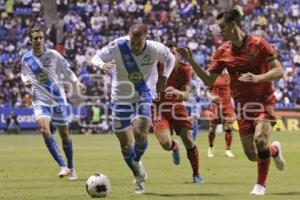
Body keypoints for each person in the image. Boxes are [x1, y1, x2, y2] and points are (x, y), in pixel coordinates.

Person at [178, 9, 286, 195]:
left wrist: (258, 78)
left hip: (263, 101)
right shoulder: (222, 52)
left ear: (233, 24)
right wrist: (191, 60)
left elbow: (279, 71)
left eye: (222, 26)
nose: (220, 30)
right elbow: (209, 81)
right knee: (252, 154)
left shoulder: (259, 44)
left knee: (260, 140)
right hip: (243, 107)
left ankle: (260, 185)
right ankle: (274, 150)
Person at [91, 23, 176, 194]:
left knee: (141, 133)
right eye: (132, 42)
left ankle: (136, 163)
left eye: (139, 43)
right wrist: (102, 66)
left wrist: (164, 77)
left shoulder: (155, 48)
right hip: (120, 97)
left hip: (143, 95)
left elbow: (171, 58)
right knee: (125, 145)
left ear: (146, 37)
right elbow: (96, 58)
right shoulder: (118, 45)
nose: (135, 46)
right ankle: (138, 173)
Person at [21, 26, 86, 180]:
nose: (38, 40)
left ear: (44, 39)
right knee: (44, 130)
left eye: (40, 38)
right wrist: (25, 81)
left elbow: (67, 70)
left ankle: (71, 167)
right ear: (30, 40)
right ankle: (62, 165)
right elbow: (23, 73)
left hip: (57, 100)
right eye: (35, 38)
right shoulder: (26, 58)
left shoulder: (53, 55)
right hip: (39, 101)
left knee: (65, 135)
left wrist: (76, 82)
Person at [152, 41, 203, 183]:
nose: (170, 56)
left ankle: (196, 174)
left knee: (189, 141)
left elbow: (186, 95)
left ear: (177, 54)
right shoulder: (154, 67)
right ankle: (174, 146)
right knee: (165, 143)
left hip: (177, 107)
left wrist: (176, 92)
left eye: (173, 53)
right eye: (167, 54)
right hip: (158, 109)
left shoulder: (184, 69)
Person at [207, 69, 235, 158]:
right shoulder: (212, 76)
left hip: (227, 105)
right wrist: (211, 97)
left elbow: (234, 90)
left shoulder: (229, 76)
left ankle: (228, 150)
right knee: (212, 129)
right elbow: (208, 91)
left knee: (228, 127)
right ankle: (211, 148)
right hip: (215, 105)